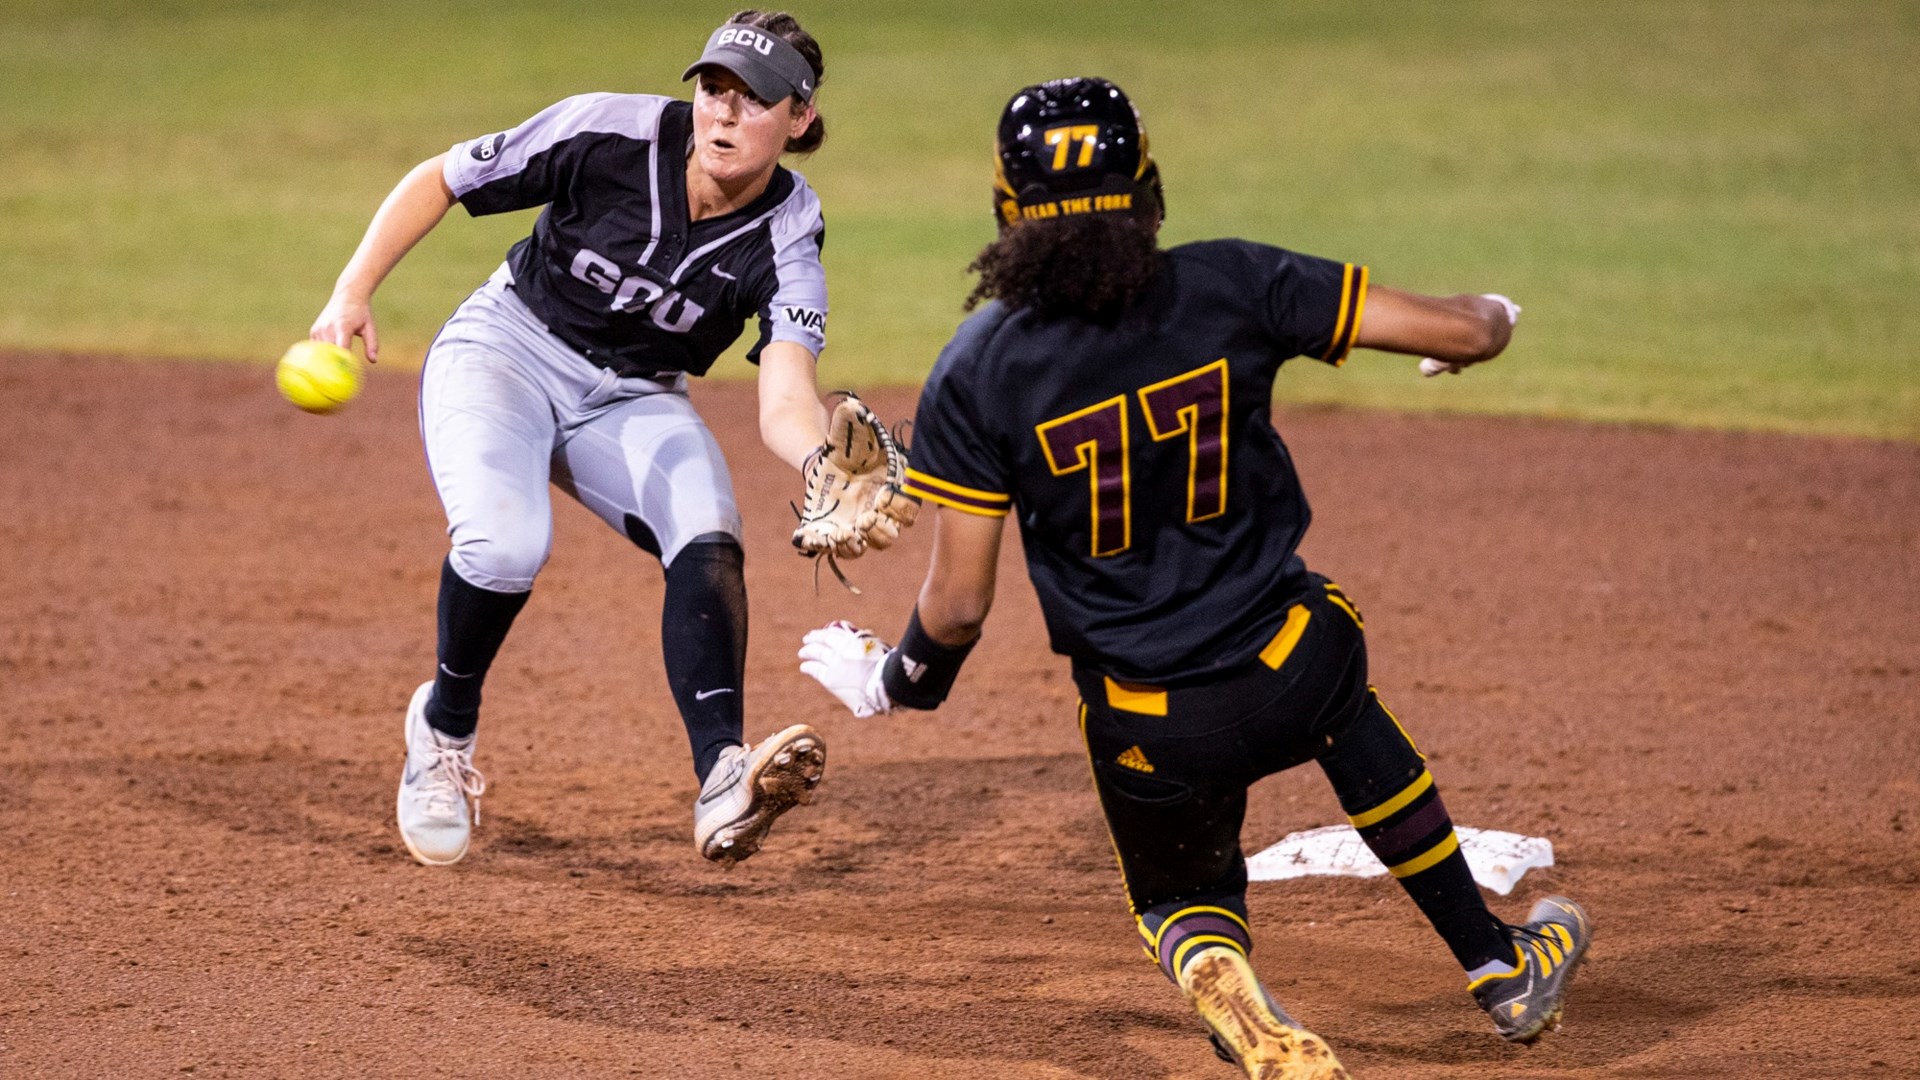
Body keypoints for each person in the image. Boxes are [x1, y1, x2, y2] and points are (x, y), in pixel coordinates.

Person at [798, 78, 1591, 1078]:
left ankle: (1239, 994)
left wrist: (892, 683)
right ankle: (1496, 962)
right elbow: (1468, 329)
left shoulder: (978, 369)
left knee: (1180, 896)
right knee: (1337, 673)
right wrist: (1490, 321)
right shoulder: (1231, 282)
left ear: (1007, 213)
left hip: (1150, 719)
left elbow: (956, 608)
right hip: (1293, 666)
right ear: (1150, 190)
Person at [311, 11, 908, 869]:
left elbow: (785, 395)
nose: (726, 115)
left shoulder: (789, 231)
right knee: (506, 546)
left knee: (709, 532)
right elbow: (441, 178)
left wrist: (821, 460)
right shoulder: (608, 131)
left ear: (801, 119)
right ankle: (443, 727)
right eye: (714, 89)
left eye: (756, 99)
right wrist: (351, 291)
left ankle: (723, 780)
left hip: (633, 398)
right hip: (506, 352)